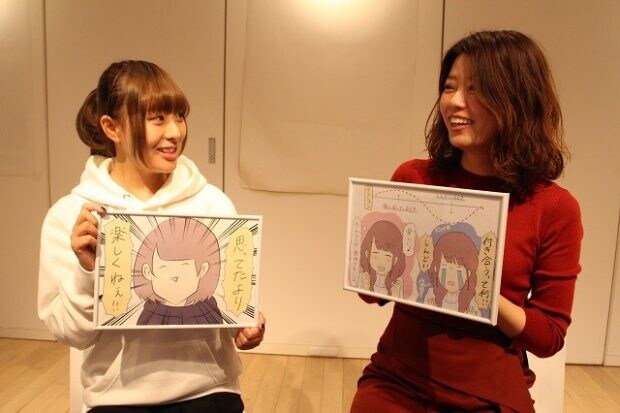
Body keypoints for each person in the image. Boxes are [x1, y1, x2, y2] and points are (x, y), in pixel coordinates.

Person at [350, 30, 583, 412]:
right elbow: (371, 292)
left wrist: (482, 294)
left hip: (489, 391)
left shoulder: (554, 207)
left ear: (517, 100)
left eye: (475, 89)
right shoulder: (413, 179)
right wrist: (374, 262)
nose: (455, 102)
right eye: (449, 86)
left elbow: (548, 336)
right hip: (399, 377)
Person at [37, 60, 265, 412]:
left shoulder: (212, 204)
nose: (175, 132)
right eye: (157, 119)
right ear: (112, 127)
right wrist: (88, 273)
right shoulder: (72, 216)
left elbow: (228, 306)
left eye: (180, 116)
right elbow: (71, 334)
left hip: (209, 390)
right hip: (117, 398)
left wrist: (245, 325)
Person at [134, 217, 223, 325]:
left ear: (202, 270)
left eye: (184, 267)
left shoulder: (207, 310)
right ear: (147, 272)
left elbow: (219, 332)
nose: (175, 276)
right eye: (164, 268)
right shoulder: (151, 312)